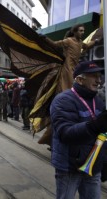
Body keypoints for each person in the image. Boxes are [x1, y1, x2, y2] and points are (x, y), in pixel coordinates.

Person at [50, 61, 107, 199]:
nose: (99, 80)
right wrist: (94, 125)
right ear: (80, 79)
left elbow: (103, 135)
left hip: (93, 167)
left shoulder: (99, 101)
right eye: (93, 76)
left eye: (99, 76)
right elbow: (65, 133)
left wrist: (104, 161)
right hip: (70, 167)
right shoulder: (63, 100)